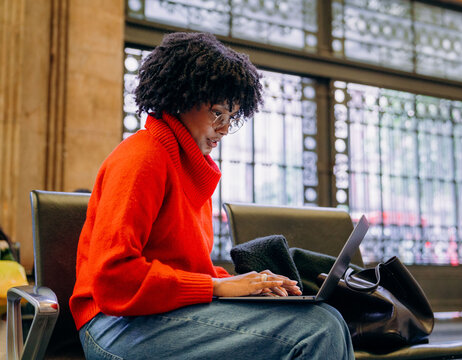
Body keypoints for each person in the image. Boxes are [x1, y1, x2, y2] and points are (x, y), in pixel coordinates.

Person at [70, 32, 354, 360]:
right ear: (180, 97)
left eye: (231, 117)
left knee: (328, 318)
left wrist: (244, 282)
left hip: (160, 314)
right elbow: (113, 280)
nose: (223, 127)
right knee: (317, 330)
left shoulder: (192, 166)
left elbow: (183, 268)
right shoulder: (141, 157)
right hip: (113, 324)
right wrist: (217, 287)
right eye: (216, 112)